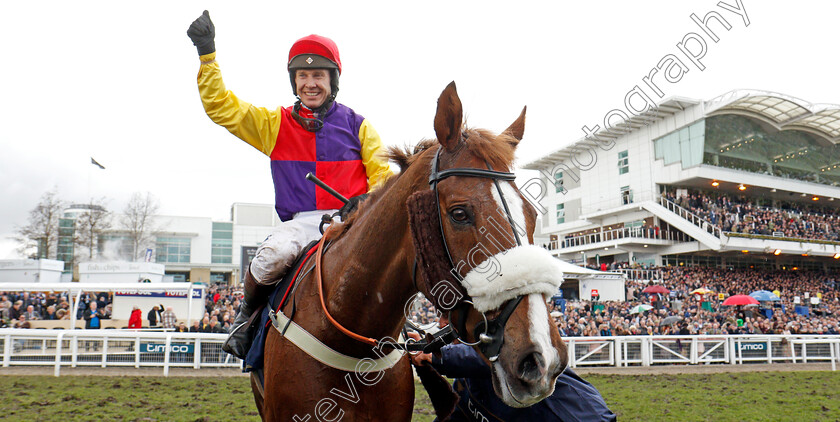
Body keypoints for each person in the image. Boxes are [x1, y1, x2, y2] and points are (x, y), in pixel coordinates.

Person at [187, 10, 392, 359]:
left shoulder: (359, 125)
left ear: (333, 80)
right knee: (273, 256)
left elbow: (383, 178)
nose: (310, 83)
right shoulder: (274, 124)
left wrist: (365, 205)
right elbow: (221, 108)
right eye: (302, 76)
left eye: (318, 75)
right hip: (300, 224)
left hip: (351, 223)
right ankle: (245, 318)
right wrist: (208, 56)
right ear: (294, 81)